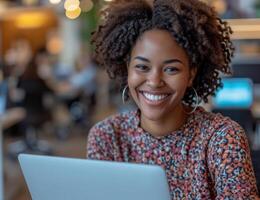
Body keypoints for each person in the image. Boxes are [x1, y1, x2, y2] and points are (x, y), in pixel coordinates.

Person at [87, 0, 259, 199]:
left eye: (171, 69)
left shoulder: (221, 139)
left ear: (191, 74)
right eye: (142, 67)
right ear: (127, 69)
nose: (154, 81)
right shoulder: (107, 137)